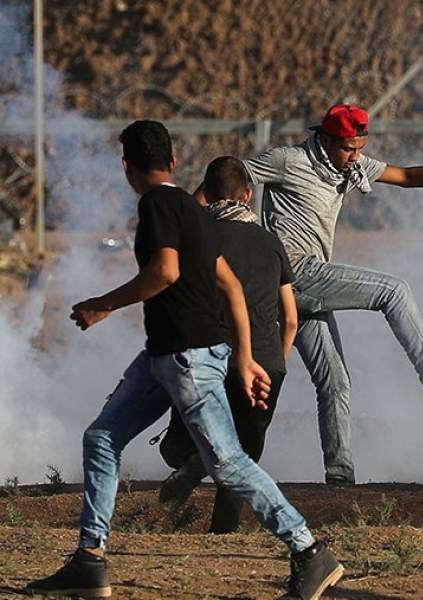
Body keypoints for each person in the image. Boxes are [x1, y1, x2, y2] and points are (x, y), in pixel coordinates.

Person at [26, 122, 342, 600]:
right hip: (165, 354)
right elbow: (230, 286)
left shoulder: (157, 205)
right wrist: (245, 357)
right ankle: (90, 560)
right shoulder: (194, 213)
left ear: (127, 168)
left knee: (228, 463)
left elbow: (165, 271)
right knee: (102, 437)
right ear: (173, 163)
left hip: (187, 357)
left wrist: (102, 305)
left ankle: (309, 551)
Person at [228, 103, 423, 484]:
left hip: (301, 292)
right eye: (348, 148)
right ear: (325, 139)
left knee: (335, 382)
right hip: (294, 271)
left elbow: (407, 175)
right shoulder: (289, 160)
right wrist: (215, 225)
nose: (356, 156)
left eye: (360, 147)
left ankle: (339, 478)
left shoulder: (350, 166)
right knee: (395, 291)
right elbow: (230, 177)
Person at [156, 156, 299, 535]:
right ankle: (223, 531)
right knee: (244, 454)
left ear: (206, 194)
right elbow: (291, 318)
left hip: (209, 356)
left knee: (176, 448)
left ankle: (196, 463)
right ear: (249, 195)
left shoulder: (197, 239)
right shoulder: (271, 243)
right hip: (266, 362)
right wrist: (273, 365)